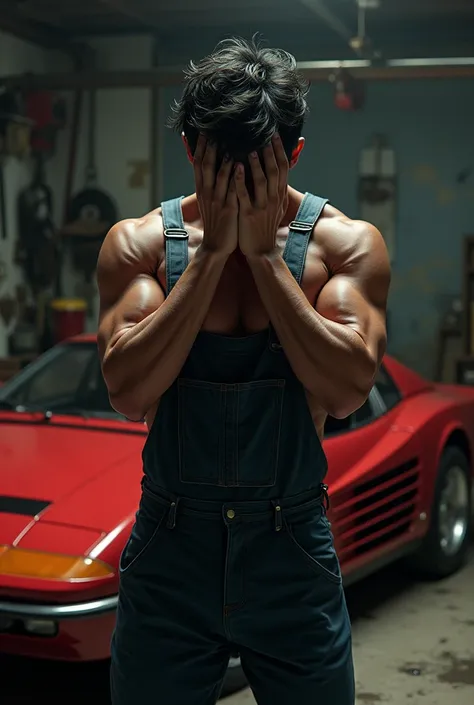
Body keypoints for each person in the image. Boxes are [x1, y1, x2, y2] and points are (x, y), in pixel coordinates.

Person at [97, 36, 390, 705]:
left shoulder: (344, 245)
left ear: (294, 155)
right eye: (218, 167)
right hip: (170, 550)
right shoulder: (140, 245)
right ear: (190, 150)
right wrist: (206, 263)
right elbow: (127, 390)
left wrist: (262, 260)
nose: (236, 189)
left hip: (290, 549)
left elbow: (347, 389)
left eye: (257, 170)